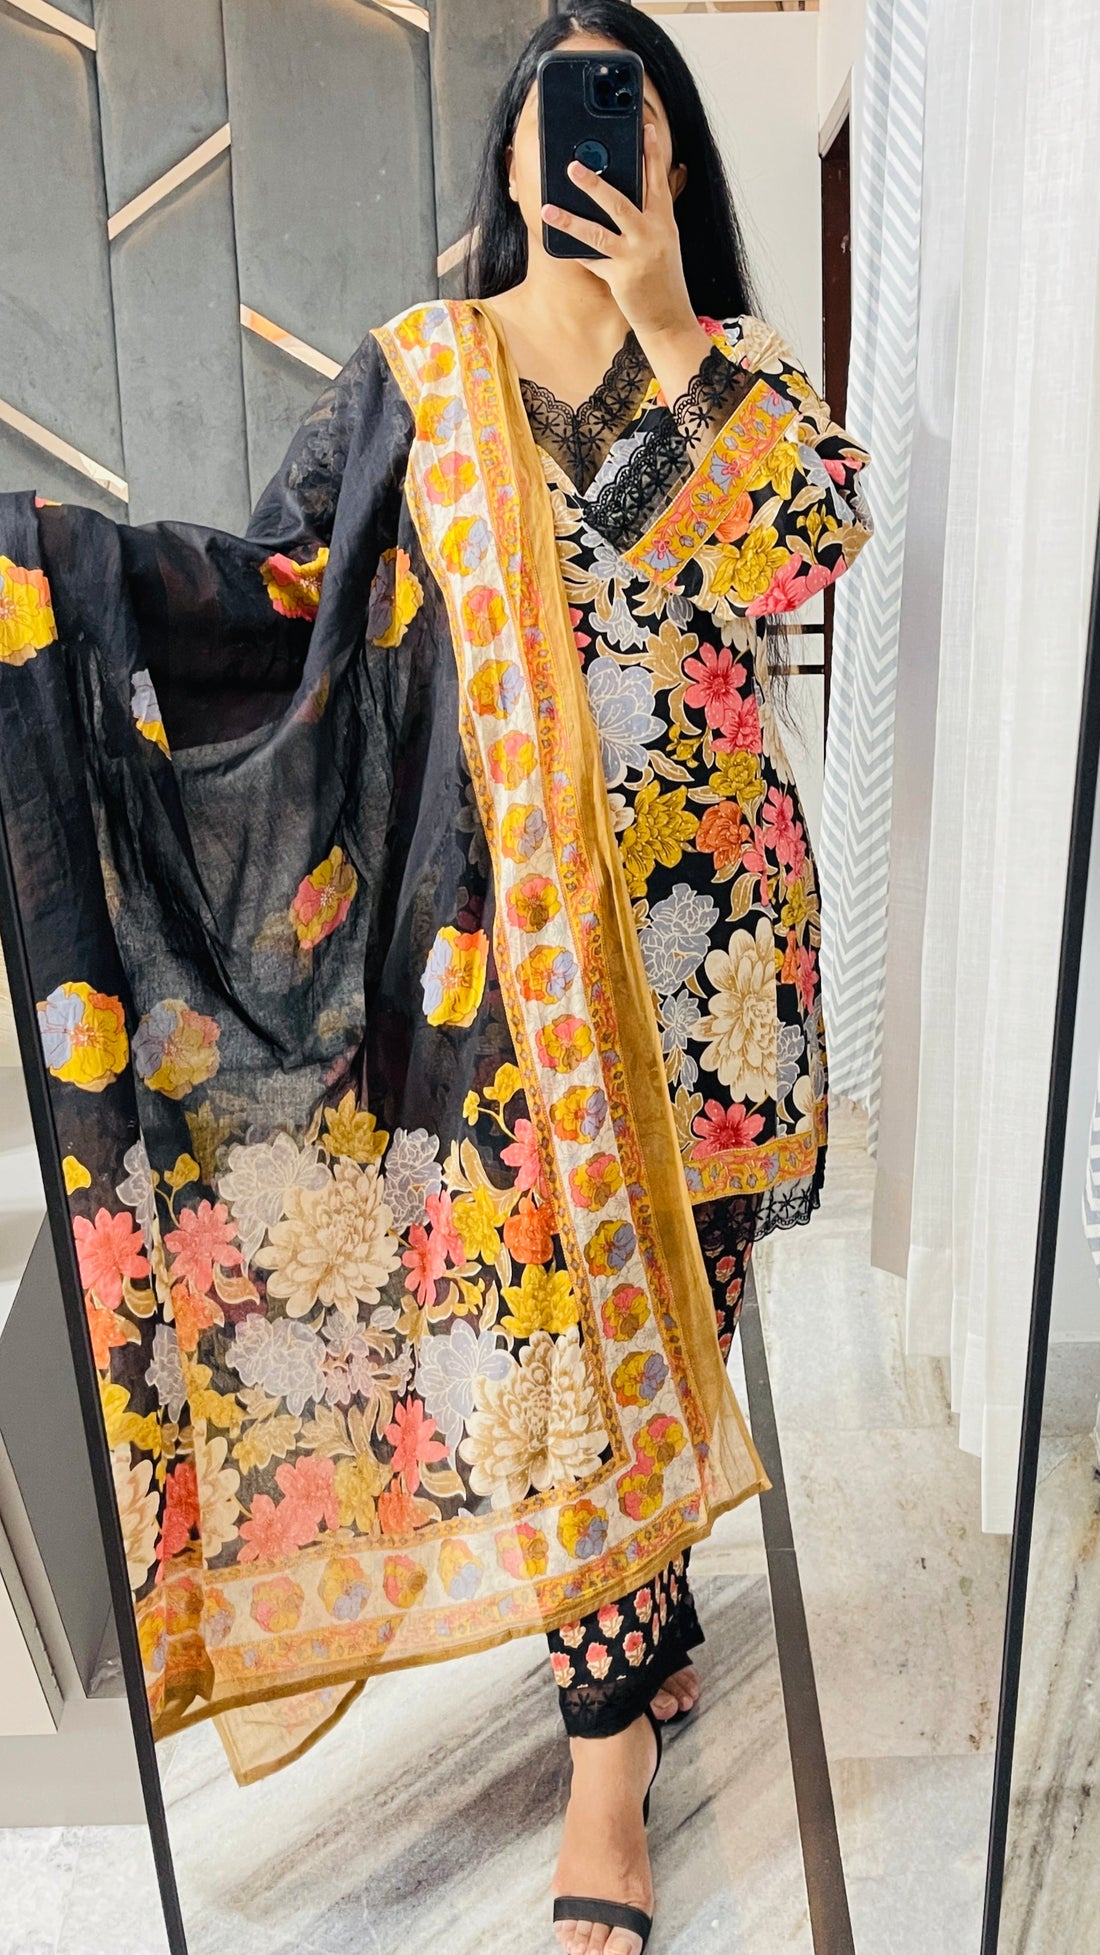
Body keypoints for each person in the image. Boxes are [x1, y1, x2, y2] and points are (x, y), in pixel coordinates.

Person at [0, 4, 871, 1950]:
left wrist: (666, 322)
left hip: (718, 965)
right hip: (506, 982)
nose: (589, 146)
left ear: (671, 162)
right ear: (508, 159)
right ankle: (604, 1777)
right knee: (567, 1358)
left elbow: (801, 557)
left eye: (628, 118)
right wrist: (50, 569)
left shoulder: (725, 370)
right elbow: (285, 600)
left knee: (682, 1330)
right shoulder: (422, 379)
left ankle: (637, 1626)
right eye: (559, 116)